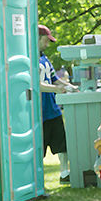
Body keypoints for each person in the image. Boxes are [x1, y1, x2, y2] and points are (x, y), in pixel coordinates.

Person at [38, 24, 78, 184]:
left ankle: (64, 173)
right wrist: (57, 88)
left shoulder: (44, 57)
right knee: (39, 147)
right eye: (46, 41)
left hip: (52, 108)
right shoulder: (30, 57)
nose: (48, 44)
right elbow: (37, 84)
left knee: (62, 143)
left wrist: (70, 87)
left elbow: (54, 78)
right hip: (38, 111)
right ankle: (37, 179)